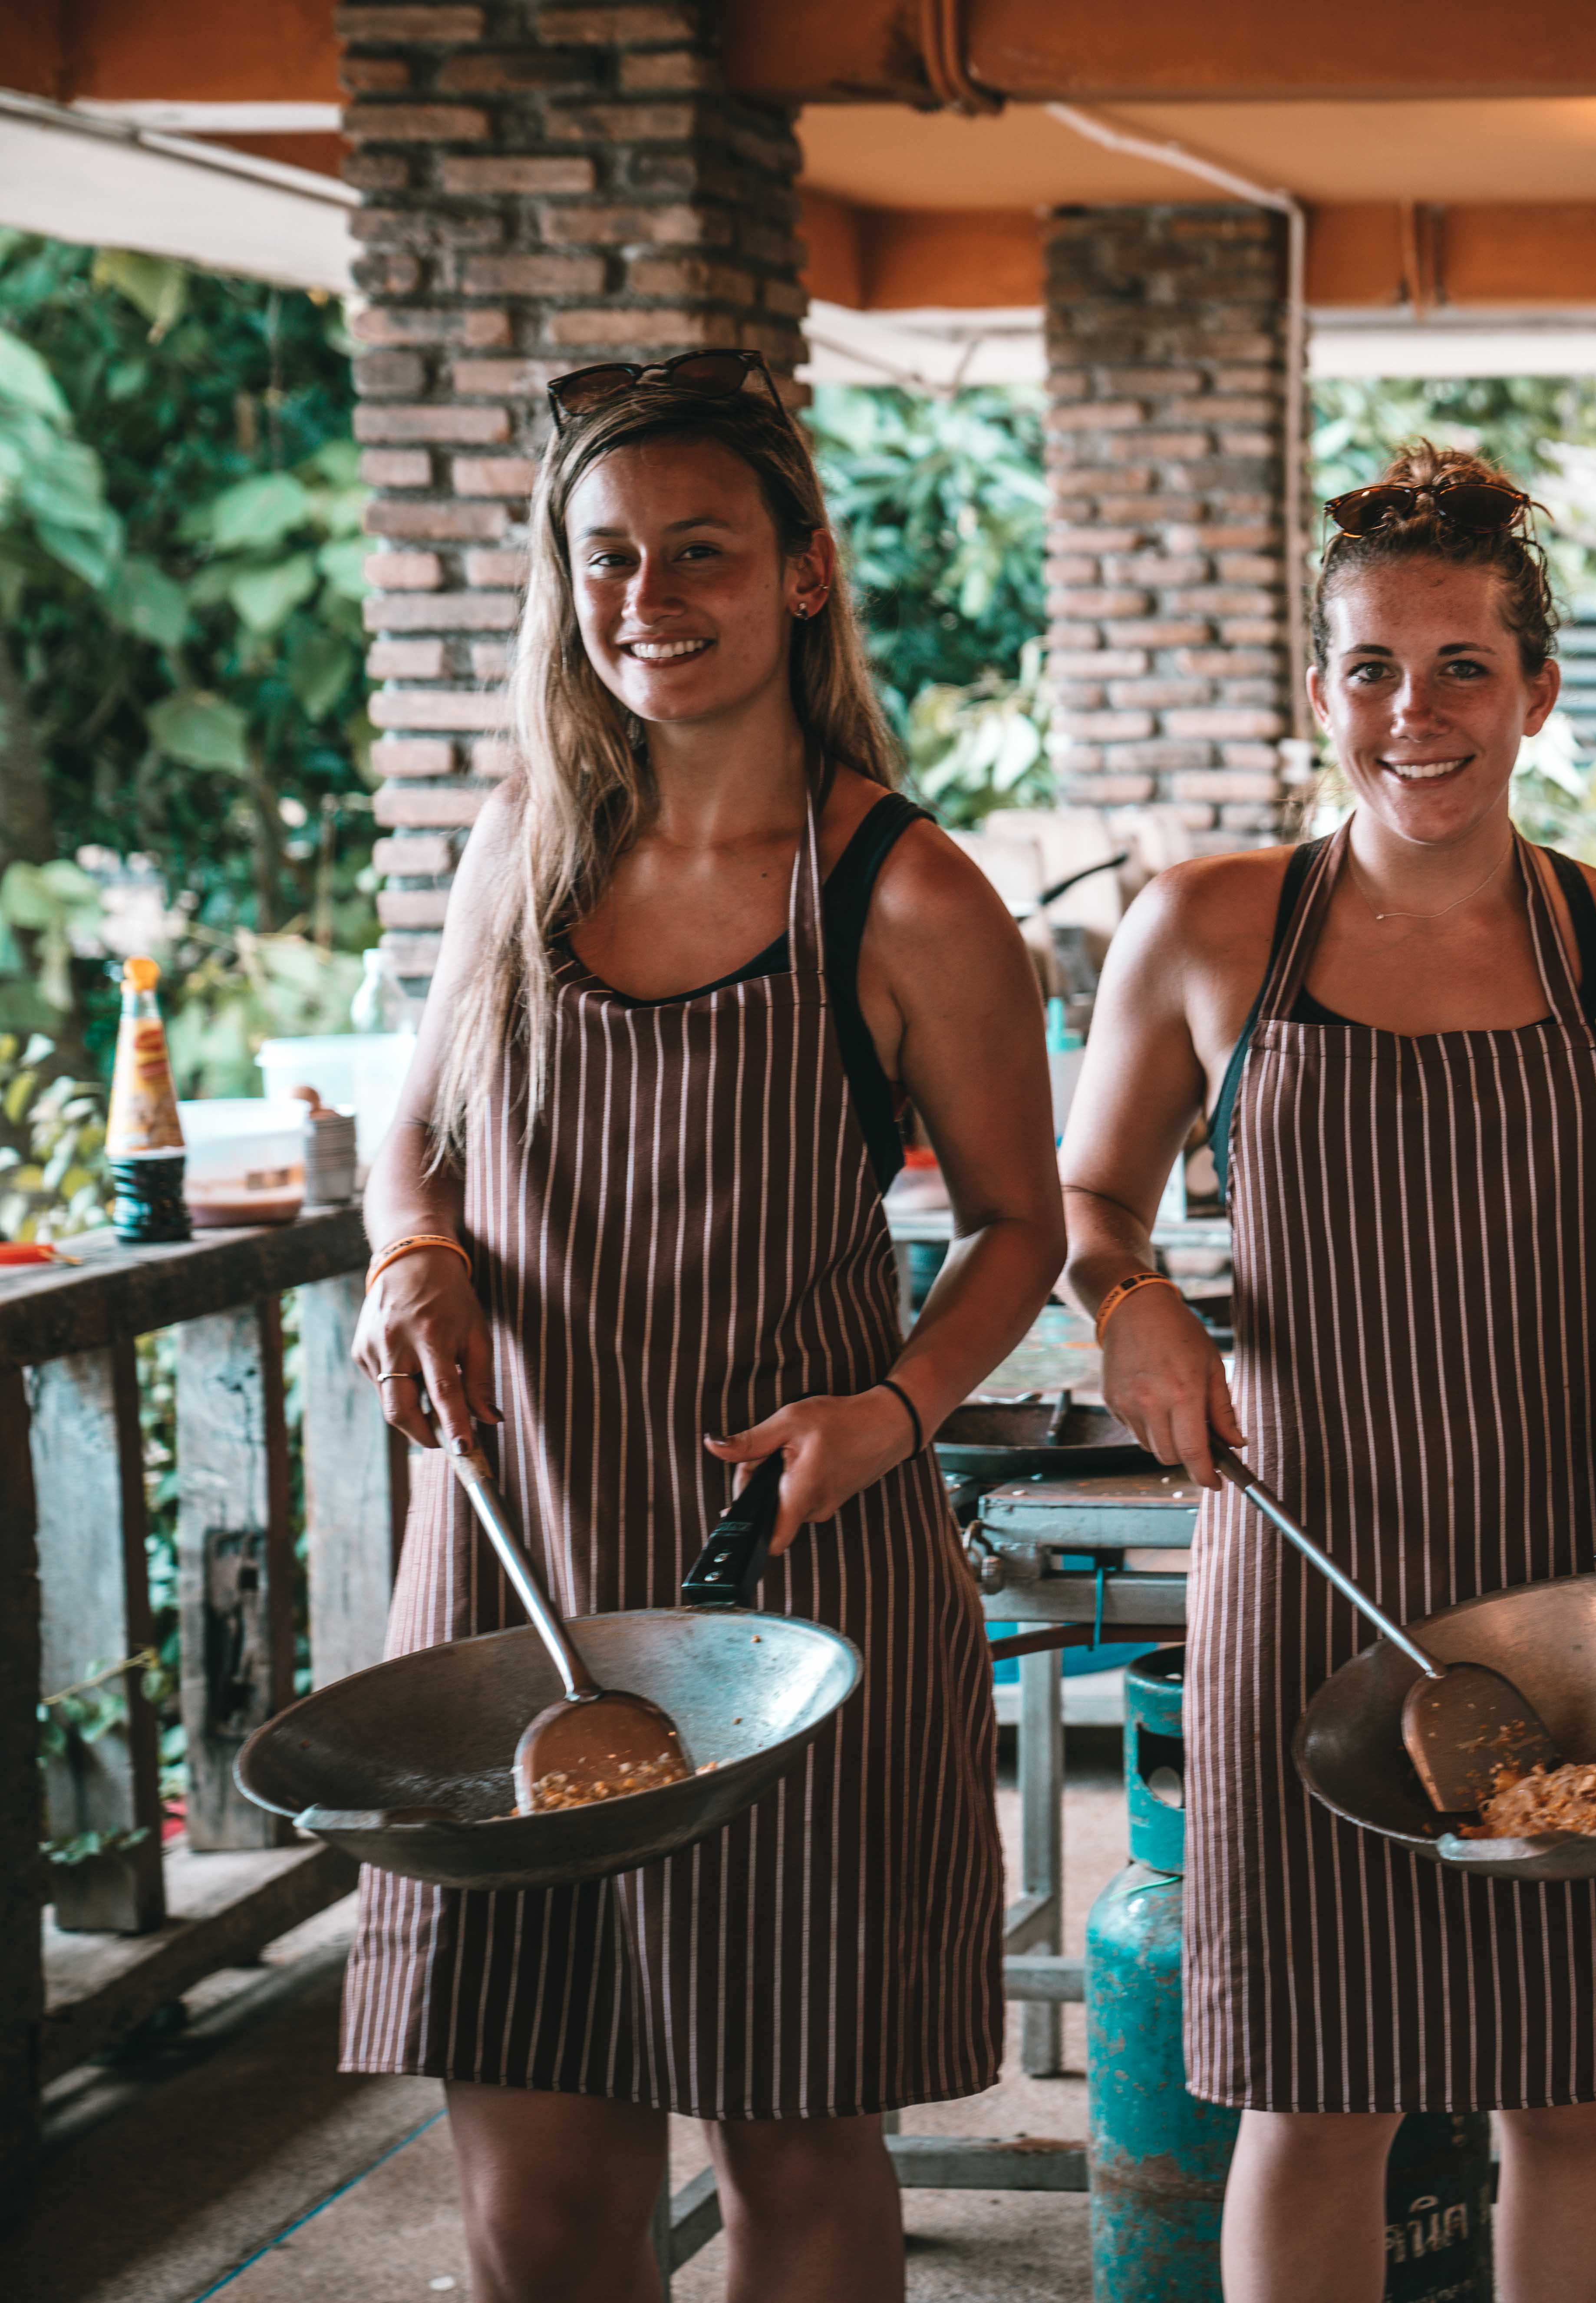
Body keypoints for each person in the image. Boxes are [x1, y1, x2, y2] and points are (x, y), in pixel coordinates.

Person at [343, 350, 1065, 2301]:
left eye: (700, 553)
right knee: (533, 2164)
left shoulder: (903, 894)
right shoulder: (527, 843)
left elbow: (1020, 1227)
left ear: (805, 574)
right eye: (604, 560)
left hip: (788, 1593)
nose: (646, 600)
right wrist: (413, 1245)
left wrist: (895, 1411)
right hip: (515, 1578)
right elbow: (408, 1126)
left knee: (793, 2142)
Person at [1061, 443, 1596, 2303]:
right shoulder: (1211, 929)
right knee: (1315, 2093)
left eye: (1463, 664)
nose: (1416, 711)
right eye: (1373, 666)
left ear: (1536, 690)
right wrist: (1127, 1293)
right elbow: (1081, 1202)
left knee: (1576, 2086)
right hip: (1300, 1576)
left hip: (1590, 1587)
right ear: (1323, 692)